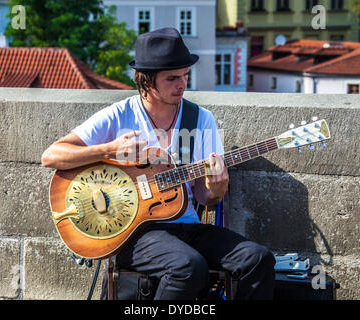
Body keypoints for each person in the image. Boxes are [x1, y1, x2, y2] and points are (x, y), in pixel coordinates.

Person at [41, 27, 275, 300]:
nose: (182, 85)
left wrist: (217, 188)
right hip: (134, 232)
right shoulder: (119, 115)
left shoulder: (200, 119)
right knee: (187, 267)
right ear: (146, 81)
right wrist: (110, 149)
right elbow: (52, 155)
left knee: (258, 259)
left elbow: (203, 195)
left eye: (186, 75)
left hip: (187, 224)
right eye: (172, 78)